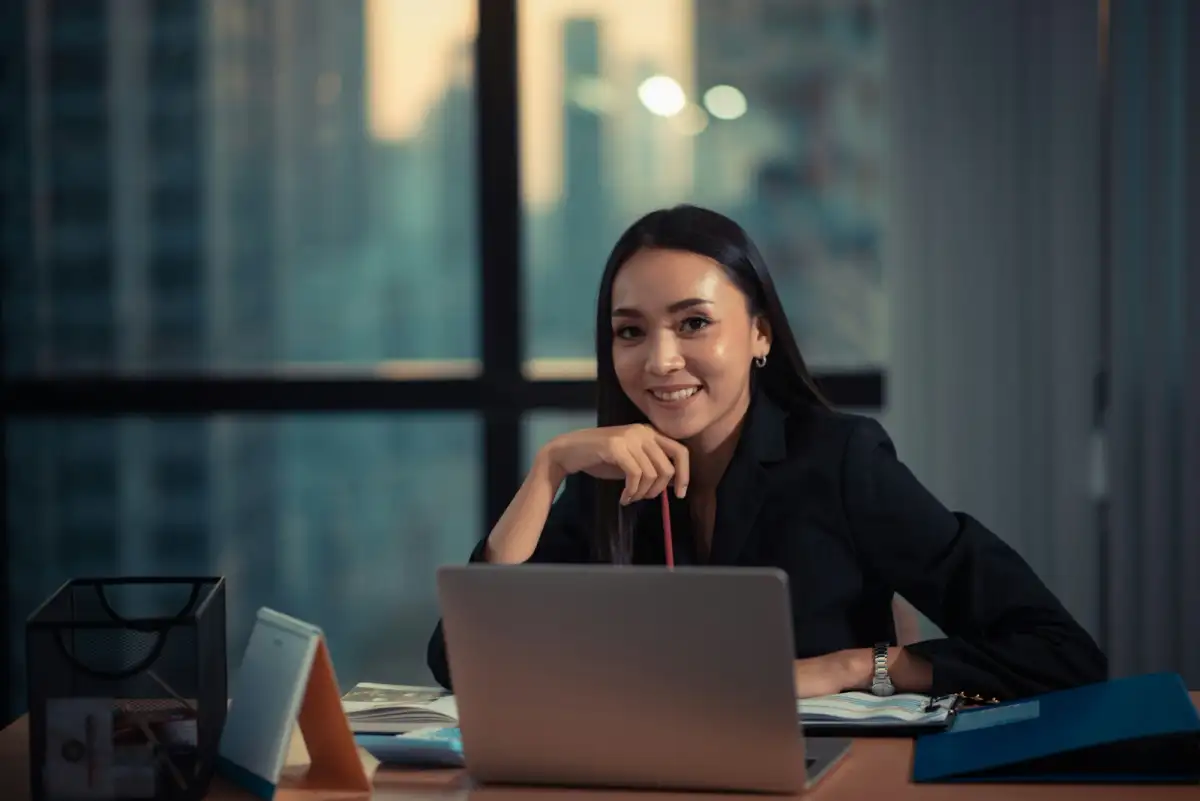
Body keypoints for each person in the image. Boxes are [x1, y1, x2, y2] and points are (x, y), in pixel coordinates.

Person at [426, 204, 1107, 700]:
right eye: (630, 331)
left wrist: (851, 666)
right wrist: (547, 471)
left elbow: (1057, 652)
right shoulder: (612, 476)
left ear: (759, 335)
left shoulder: (841, 459)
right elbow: (462, 660)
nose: (661, 361)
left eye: (693, 323)